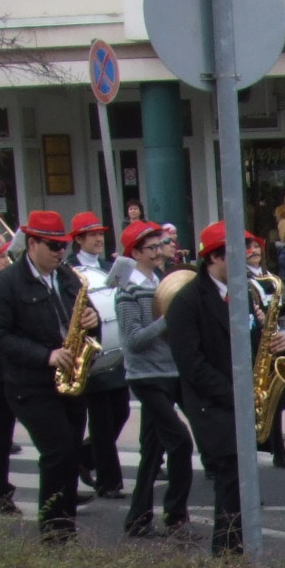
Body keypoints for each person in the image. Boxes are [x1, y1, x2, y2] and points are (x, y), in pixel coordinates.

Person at [0, 210, 94, 541]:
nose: (60, 252)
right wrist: (46, 355)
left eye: (63, 246)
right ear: (32, 244)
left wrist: (91, 318)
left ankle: (66, 525)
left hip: (69, 379)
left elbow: (88, 312)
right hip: (29, 384)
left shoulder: (68, 276)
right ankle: (53, 531)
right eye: (53, 246)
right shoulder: (5, 284)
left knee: (70, 454)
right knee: (57, 452)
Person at [165, 223, 273, 556]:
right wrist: (235, 394)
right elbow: (191, 364)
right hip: (211, 402)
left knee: (239, 479)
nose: (246, 260)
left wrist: (271, 343)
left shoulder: (243, 293)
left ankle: (236, 548)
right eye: (237, 254)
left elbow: (252, 342)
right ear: (214, 258)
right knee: (230, 476)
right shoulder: (187, 301)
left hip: (239, 398)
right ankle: (226, 552)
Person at [114, 223, 193, 537]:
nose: (161, 252)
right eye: (153, 248)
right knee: (181, 442)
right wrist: (167, 320)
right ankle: (175, 516)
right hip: (147, 376)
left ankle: (137, 518)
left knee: (151, 451)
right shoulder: (128, 290)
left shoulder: (162, 282)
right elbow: (133, 340)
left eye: (162, 245)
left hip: (171, 372)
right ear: (135, 253)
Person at [63, 212, 129, 497]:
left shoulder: (108, 267)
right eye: (92, 235)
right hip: (92, 351)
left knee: (122, 412)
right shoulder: (68, 269)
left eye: (100, 234)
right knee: (102, 420)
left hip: (114, 350)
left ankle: (82, 457)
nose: (99, 239)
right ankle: (108, 482)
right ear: (78, 239)